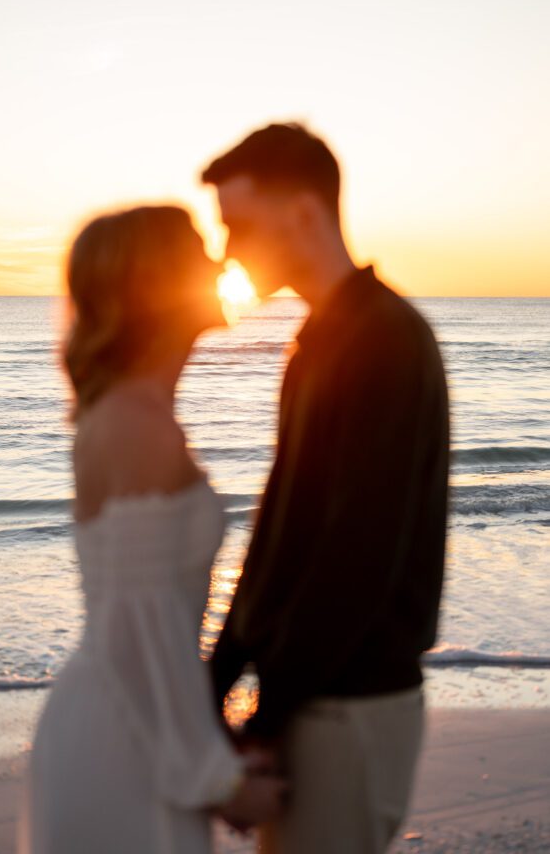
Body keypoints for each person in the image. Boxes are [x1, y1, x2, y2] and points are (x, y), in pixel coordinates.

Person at [202, 124, 450, 854]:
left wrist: (266, 719)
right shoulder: (318, 342)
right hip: (317, 701)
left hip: (352, 708)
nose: (227, 250)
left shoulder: (386, 340)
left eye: (238, 224)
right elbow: (281, 531)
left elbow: (357, 553)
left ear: (303, 214)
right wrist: (216, 682)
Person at [19, 206, 285, 854]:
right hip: (123, 743)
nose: (219, 260)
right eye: (198, 249)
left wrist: (208, 734)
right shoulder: (135, 425)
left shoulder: (133, 413)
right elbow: (141, 633)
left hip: (136, 727)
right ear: (155, 283)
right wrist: (219, 780)